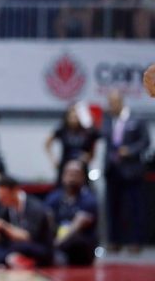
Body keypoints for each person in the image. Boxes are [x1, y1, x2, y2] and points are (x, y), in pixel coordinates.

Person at [101, 90, 150, 252]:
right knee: (112, 207)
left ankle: (135, 241)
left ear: (120, 102)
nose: (110, 106)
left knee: (134, 208)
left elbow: (145, 142)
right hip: (112, 169)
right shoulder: (107, 119)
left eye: (113, 103)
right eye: (109, 103)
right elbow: (104, 138)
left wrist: (130, 150)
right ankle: (114, 241)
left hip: (132, 170)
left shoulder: (137, 118)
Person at [44, 160, 98, 266]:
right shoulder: (54, 197)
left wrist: (56, 244)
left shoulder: (89, 199)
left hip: (78, 245)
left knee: (76, 241)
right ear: (63, 176)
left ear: (83, 177)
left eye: (76, 174)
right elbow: (47, 218)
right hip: (56, 238)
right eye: (69, 173)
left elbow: (78, 225)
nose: (72, 177)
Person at [44, 103, 99, 184]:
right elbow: (47, 143)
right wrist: (53, 160)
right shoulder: (62, 130)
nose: (73, 120)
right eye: (71, 117)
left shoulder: (87, 132)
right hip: (65, 166)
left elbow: (93, 145)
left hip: (82, 167)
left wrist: (89, 157)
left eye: (76, 117)